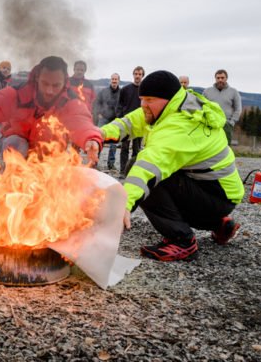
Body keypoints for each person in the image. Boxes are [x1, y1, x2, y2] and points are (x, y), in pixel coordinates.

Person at [100, 70, 245, 262]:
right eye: (142, 99)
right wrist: (97, 136)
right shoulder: (177, 106)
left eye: (149, 100)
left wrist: (124, 204)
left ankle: (182, 241)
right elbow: (129, 123)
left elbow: (148, 166)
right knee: (164, 176)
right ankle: (219, 225)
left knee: (146, 174)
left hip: (216, 196)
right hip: (215, 191)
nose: (143, 105)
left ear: (167, 99)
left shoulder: (182, 124)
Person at [0, 56, 102, 163]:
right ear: (38, 78)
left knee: (54, 166)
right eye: (45, 84)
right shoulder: (16, 95)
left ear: (64, 82)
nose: (50, 91)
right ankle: (11, 190)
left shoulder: (70, 100)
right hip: (16, 147)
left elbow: (81, 122)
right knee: (16, 145)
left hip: (50, 152)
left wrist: (91, 140)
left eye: (55, 85)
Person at [115, 66, 145, 178]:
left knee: (137, 150)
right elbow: (119, 105)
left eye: (140, 74)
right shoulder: (125, 89)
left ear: (142, 76)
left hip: (140, 124)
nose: (137, 76)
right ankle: (123, 171)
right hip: (127, 124)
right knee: (124, 148)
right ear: (133, 75)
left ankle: (133, 172)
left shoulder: (145, 90)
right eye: (136, 74)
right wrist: (120, 118)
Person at [202, 69, 242, 145]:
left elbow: (238, 109)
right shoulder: (207, 91)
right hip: (210, 124)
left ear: (226, 78)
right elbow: (201, 106)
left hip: (226, 124)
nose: (220, 80)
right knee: (209, 147)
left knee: (225, 148)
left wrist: (232, 122)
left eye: (222, 78)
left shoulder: (234, 92)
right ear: (215, 79)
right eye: (218, 78)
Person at [95, 73, 121, 170]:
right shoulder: (104, 91)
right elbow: (97, 102)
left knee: (113, 143)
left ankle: (111, 164)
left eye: (116, 79)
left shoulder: (121, 93)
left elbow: (123, 105)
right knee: (98, 140)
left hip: (115, 120)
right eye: (113, 79)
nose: (114, 81)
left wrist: (120, 116)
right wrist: (98, 114)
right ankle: (95, 161)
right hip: (103, 119)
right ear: (110, 80)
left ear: (118, 80)